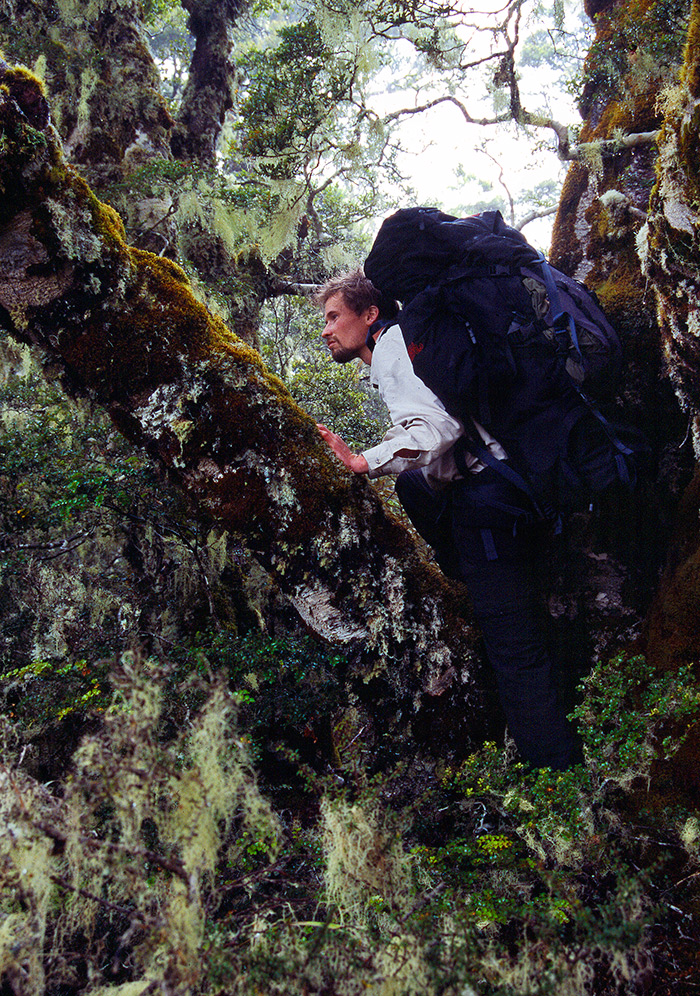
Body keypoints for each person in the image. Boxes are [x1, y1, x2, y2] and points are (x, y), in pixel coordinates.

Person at [316, 269, 579, 771]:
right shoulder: (409, 343)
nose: (326, 330)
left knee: (512, 647)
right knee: (412, 485)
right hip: (505, 483)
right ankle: (468, 577)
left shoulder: (395, 350)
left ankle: (557, 778)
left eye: (334, 317)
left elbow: (438, 426)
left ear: (369, 315)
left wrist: (363, 460)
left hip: (489, 499)